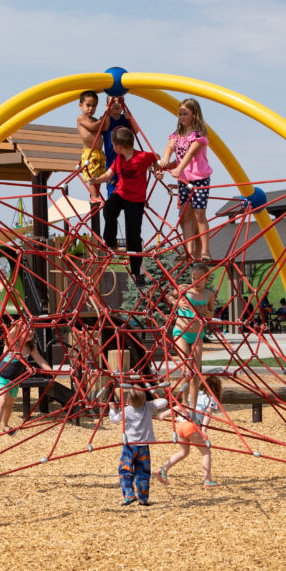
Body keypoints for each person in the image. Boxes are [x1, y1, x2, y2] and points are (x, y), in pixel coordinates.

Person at [87, 126, 161, 286]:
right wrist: (96, 180)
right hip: (121, 194)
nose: (112, 147)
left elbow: (157, 157)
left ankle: (138, 274)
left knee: (133, 236)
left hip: (136, 200)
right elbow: (108, 175)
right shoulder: (119, 159)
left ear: (119, 146)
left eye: (113, 144)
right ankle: (111, 241)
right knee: (109, 209)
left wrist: (156, 171)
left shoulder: (142, 157)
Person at [159, 98, 213, 261]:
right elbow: (170, 147)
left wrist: (178, 169)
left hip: (199, 178)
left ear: (194, 114)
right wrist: (165, 160)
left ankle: (205, 250)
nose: (181, 117)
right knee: (185, 215)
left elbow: (190, 155)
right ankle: (188, 250)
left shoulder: (198, 135)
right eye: (180, 114)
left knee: (199, 215)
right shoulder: (177, 134)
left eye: (185, 114)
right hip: (183, 180)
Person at [0, 320, 53, 439]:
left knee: (9, 405)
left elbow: (41, 361)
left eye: (32, 330)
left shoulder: (30, 347)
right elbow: (9, 333)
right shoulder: (12, 343)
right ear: (19, 330)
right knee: (2, 401)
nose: (31, 332)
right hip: (1, 376)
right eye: (28, 329)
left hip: (15, 380)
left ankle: (5, 425)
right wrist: (19, 322)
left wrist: (51, 372)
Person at [157, 375, 221, 488]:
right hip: (192, 425)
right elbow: (208, 414)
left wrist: (164, 413)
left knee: (183, 452)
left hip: (180, 424)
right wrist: (204, 430)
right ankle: (207, 480)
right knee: (206, 452)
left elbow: (181, 406)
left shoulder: (193, 395)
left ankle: (164, 468)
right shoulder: (211, 398)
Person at [108, 386, 167, 506]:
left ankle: (129, 494)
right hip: (143, 446)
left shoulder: (127, 410)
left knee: (125, 470)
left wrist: (112, 409)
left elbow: (114, 420)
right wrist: (151, 401)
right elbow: (164, 402)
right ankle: (143, 498)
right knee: (143, 472)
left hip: (130, 446)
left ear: (128, 400)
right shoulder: (148, 407)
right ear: (144, 399)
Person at [169, 263, 215, 412]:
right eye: (193, 278)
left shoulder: (208, 295)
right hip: (181, 332)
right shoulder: (185, 289)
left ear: (206, 278)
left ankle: (193, 408)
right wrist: (176, 302)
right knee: (187, 370)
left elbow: (211, 313)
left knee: (196, 373)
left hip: (197, 335)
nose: (195, 281)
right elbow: (169, 295)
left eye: (199, 279)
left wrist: (205, 312)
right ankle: (184, 403)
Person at [100, 96, 139, 197]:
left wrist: (130, 118)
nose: (116, 104)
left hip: (126, 161)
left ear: (123, 106)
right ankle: (113, 206)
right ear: (107, 105)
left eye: (119, 101)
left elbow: (136, 131)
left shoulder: (125, 119)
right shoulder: (107, 119)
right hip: (111, 161)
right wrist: (107, 114)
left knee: (127, 187)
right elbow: (104, 128)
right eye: (113, 102)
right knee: (112, 188)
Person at [76, 90, 105, 210]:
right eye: (88, 105)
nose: (90, 108)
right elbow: (93, 127)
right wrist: (101, 120)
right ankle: (93, 196)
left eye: (94, 106)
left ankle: (97, 196)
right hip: (89, 153)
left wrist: (106, 116)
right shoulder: (81, 118)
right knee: (92, 175)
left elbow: (105, 126)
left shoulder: (95, 120)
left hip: (99, 153)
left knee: (99, 176)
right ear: (80, 105)